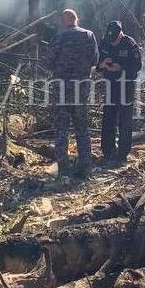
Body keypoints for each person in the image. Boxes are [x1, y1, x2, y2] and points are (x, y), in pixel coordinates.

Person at [46, 9, 98, 179]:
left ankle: (64, 169)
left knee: (61, 128)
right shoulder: (89, 35)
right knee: (82, 127)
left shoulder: (58, 38)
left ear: (64, 20)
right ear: (77, 19)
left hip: (61, 89)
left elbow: (48, 62)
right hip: (81, 88)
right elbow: (95, 60)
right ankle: (85, 167)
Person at [97, 20, 142, 165]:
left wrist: (120, 67)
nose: (113, 42)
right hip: (110, 84)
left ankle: (123, 154)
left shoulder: (130, 44)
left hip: (126, 85)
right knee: (108, 118)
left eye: (115, 39)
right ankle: (108, 151)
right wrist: (102, 65)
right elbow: (96, 63)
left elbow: (137, 65)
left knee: (124, 120)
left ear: (120, 33)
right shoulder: (104, 42)